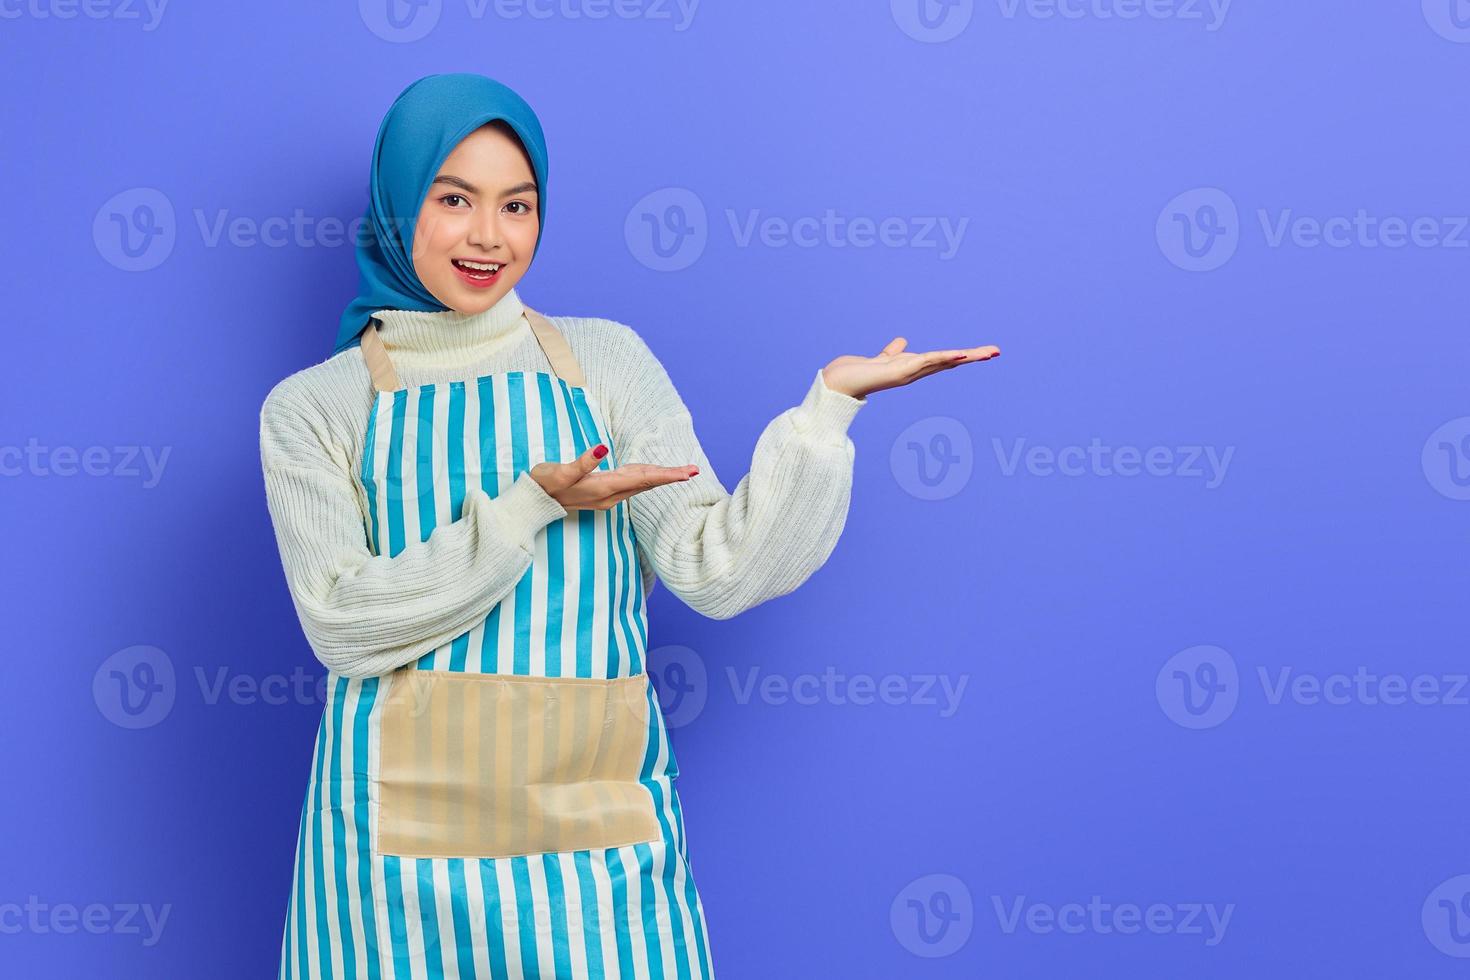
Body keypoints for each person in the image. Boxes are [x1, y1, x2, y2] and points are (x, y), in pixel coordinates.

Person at [259, 71, 999, 980]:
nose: (489, 236)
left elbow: (713, 568)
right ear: (397, 203)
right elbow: (340, 621)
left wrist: (826, 413)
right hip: (391, 859)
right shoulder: (315, 408)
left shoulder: (605, 362)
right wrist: (532, 505)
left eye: (517, 205)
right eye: (454, 199)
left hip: (593, 837)